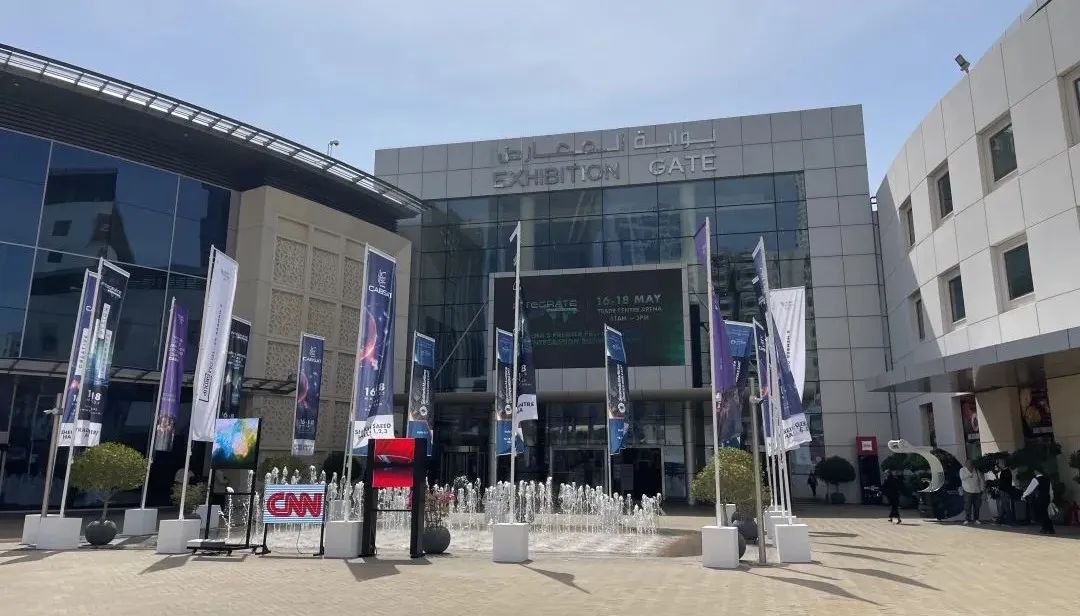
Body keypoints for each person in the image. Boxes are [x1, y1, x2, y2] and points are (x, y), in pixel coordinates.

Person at [1022, 468, 1055, 535]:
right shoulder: (1047, 479)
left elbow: (1030, 488)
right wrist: (1051, 498)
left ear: (1036, 471)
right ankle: (1049, 529)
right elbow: (1050, 490)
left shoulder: (1036, 479)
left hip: (1040, 498)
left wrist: (1024, 495)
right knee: (1046, 513)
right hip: (1047, 498)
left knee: (1042, 513)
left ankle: (1045, 528)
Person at [959, 460, 985, 524]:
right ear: (965, 464)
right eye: (968, 464)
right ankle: (967, 519)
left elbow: (981, 480)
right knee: (967, 506)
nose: (970, 465)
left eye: (971, 464)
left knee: (977, 506)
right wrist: (970, 474)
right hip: (967, 490)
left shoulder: (976, 470)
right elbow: (962, 478)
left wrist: (982, 489)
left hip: (977, 491)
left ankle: (976, 519)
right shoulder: (962, 470)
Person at [994, 460, 1015, 525]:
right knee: (1003, 505)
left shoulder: (1006, 472)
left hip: (1004, 491)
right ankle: (1001, 520)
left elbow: (1003, 482)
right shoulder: (1006, 471)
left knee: (1005, 505)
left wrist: (999, 487)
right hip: (1005, 490)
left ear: (1003, 464)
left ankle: (1009, 520)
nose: (999, 465)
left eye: (1000, 464)